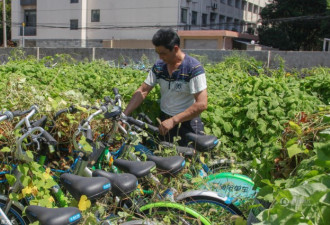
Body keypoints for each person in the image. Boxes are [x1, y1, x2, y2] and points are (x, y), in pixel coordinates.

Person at [123, 28, 208, 146]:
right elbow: (143, 91)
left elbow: (202, 104)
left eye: (163, 53)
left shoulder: (193, 68)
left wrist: (174, 120)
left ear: (175, 49)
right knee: (164, 160)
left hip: (188, 123)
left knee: (189, 161)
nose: (160, 57)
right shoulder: (159, 66)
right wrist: (125, 114)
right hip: (165, 122)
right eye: (158, 53)